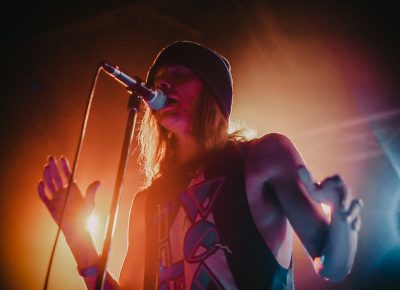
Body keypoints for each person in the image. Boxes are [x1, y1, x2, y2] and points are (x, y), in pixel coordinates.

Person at [38, 40, 363, 290]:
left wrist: (344, 222)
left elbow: (332, 265)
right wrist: (78, 240)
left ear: (213, 92)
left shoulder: (263, 156)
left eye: (179, 75)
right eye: (159, 78)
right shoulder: (147, 203)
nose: (163, 85)